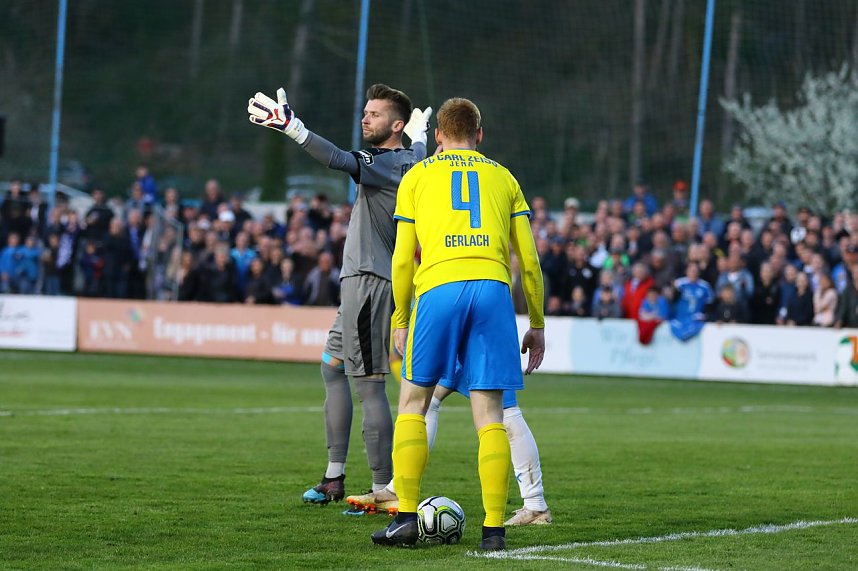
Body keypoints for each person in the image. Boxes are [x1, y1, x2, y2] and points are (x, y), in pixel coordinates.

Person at [370, 98, 545, 551]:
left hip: (438, 288)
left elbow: (403, 259)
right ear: (480, 135)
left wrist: (400, 317)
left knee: (414, 401)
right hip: (491, 290)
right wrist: (538, 324)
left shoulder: (418, 176)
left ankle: (405, 517)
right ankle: (493, 531)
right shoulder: (503, 177)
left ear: (439, 137)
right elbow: (528, 261)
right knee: (490, 414)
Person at [248, 83, 431, 504]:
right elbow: (415, 156)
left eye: (375, 114)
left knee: (368, 384)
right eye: (366, 112)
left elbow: (337, 159)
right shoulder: (409, 159)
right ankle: (334, 477)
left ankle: (385, 488)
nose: (365, 118)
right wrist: (420, 139)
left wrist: (292, 128)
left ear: (396, 125)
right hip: (362, 281)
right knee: (332, 368)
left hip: (369, 281)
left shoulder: (385, 162)